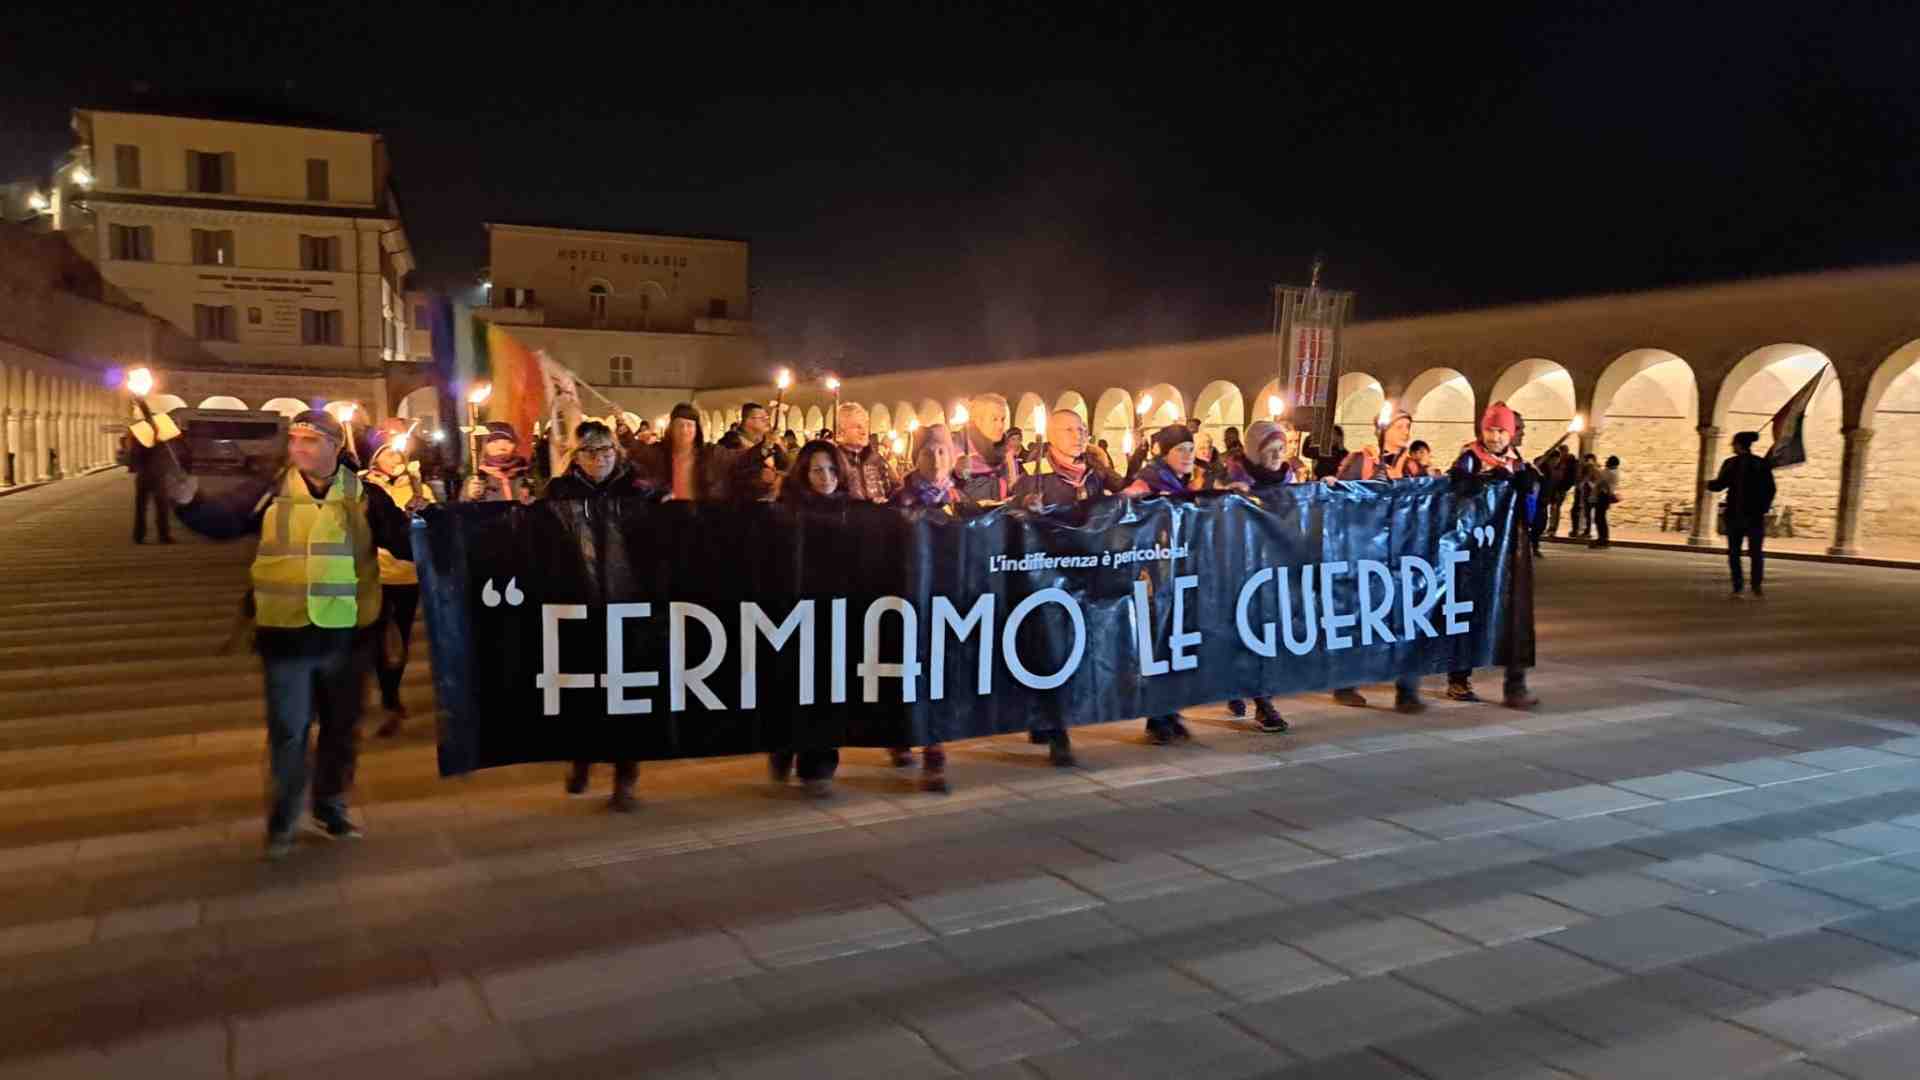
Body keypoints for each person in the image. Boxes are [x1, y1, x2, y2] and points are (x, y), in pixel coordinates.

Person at [163, 409, 413, 858]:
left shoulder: (365, 496)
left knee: (340, 729)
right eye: (295, 440)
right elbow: (222, 520)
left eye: (310, 441)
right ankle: (284, 814)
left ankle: (330, 806)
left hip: (348, 638)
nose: (298, 448)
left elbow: (408, 543)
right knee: (290, 732)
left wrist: (440, 520)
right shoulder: (270, 491)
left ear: (336, 447)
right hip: (287, 635)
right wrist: (190, 502)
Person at [547, 421, 653, 810]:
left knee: (627, 691)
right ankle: (582, 757)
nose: (600, 458)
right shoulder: (559, 492)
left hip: (628, 602)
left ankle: (626, 776)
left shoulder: (637, 489)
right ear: (576, 456)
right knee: (583, 686)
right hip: (580, 602)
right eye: (590, 451)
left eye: (606, 449)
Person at [1011, 409, 1125, 765]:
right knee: (1050, 650)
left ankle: (1051, 717)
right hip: (1046, 578)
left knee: (1076, 648)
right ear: (1051, 435)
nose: (1078, 436)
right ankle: (1056, 730)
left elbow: (1125, 499)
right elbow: (1011, 521)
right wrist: (1026, 510)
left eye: (1082, 429)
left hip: (1085, 573)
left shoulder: (1095, 475)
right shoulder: (1034, 476)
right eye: (1070, 430)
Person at [762, 439, 855, 796]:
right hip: (793, 612)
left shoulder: (850, 509)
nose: (826, 477)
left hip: (836, 614)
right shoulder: (787, 510)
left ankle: (818, 766)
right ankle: (783, 746)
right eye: (817, 469)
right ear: (804, 472)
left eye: (832, 469)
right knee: (791, 685)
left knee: (828, 691)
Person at [1328, 411, 1428, 714]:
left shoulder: (1411, 466)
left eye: (1408, 427)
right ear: (1383, 430)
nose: (1405, 431)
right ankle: (1346, 682)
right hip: (1366, 552)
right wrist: (1339, 484)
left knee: (1407, 618)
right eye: (1400, 426)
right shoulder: (1363, 459)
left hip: (1402, 552)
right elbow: (1339, 494)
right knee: (1361, 616)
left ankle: (1407, 690)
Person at [892, 424, 974, 791]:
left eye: (943, 451)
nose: (936, 458)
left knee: (938, 673)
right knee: (909, 671)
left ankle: (934, 752)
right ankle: (901, 734)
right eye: (928, 452)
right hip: (910, 594)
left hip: (947, 597)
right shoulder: (902, 499)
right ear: (916, 457)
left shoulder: (958, 498)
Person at [1447, 401, 1540, 709]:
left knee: (1515, 615)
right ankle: (1458, 678)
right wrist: (1482, 484)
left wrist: (1530, 490)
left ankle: (1516, 685)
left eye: (1501, 430)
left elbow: (1530, 515)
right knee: (1470, 610)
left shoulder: (1518, 463)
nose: (1495, 436)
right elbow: (1455, 492)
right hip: (1477, 549)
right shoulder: (1470, 459)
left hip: (1512, 549)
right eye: (1490, 429)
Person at [1216, 420, 1303, 733]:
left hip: (1276, 565)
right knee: (1247, 630)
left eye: (1281, 449)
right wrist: (1227, 497)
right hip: (1242, 566)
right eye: (1270, 451)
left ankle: (1242, 688)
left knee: (1269, 632)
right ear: (1255, 452)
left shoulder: (1290, 477)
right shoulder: (1233, 477)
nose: (1278, 456)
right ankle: (1262, 702)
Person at [1121, 424, 1199, 744]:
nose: (1187, 455)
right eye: (1180, 449)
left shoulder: (1182, 483)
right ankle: (1156, 717)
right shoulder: (1149, 482)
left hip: (1177, 574)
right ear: (1164, 453)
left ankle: (1170, 710)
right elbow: (1122, 509)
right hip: (1152, 578)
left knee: (1174, 642)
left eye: (1191, 449)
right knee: (1156, 644)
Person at [359, 435, 434, 737]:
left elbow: (430, 527)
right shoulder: (364, 488)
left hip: (406, 576)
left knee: (399, 639)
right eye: (386, 453)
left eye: (397, 453)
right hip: (371, 574)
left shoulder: (419, 486)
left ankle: (391, 693)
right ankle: (376, 689)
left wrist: (425, 512)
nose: (394, 458)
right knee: (375, 637)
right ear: (374, 459)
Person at [1708, 431, 1776, 598]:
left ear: (1739, 445)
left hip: (1735, 514)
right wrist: (1763, 508)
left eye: (1734, 443)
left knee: (1734, 553)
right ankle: (1756, 586)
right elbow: (1770, 489)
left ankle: (1738, 587)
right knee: (1756, 552)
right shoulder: (1761, 464)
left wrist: (1708, 484)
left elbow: (1719, 485)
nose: (1732, 446)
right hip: (1755, 515)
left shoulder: (1731, 463)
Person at [635, 402, 731, 501]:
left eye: (689, 425)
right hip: (666, 511)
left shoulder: (711, 453)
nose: (684, 430)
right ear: (672, 428)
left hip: (699, 511)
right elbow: (632, 455)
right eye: (680, 425)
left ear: (696, 429)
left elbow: (736, 458)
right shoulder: (659, 452)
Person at [954, 392, 1023, 503]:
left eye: (1003, 419)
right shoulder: (956, 449)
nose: (1000, 426)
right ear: (977, 420)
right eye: (994, 419)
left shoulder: (1006, 451)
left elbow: (1014, 489)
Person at [834, 403, 899, 504]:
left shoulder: (877, 460)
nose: (864, 431)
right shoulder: (834, 461)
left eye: (865, 426)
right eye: (857, 427)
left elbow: (896, 489)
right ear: (841, 431)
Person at [729, 401, 789, 503]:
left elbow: (786, 466)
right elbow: (735, 470)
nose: (767, 422)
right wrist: (758, 477)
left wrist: (780, 476)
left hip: (773, 502)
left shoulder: (769, 443)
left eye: (767, 418)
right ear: (748, 421)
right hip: (746, 503)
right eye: (762, 418)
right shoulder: (732, 443)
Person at [464, 422, 535, 503]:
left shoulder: (526, 475)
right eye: (495, 442)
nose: (502, 447)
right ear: (485, 446)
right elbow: (462, 512)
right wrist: (471, 497)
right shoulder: (476, 479)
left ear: (515, 446)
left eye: (508, 442)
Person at [129, 431, 175, 544]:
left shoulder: (138, 440)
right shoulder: (161, 441)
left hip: (143, 477)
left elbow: (133, 458)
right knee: (161, 507)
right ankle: (163, 535)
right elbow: (167, 458)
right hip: (156, 477)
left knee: (141, 508)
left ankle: (138, 536)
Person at [1589, 455, 1620, 549]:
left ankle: (1603, 539)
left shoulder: (1611, 472)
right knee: (1600, 518)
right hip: (1603, 495)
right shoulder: (1611, 471)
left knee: (1600, 518)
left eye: (1608, 461)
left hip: (1604, 496)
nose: (1606, 462)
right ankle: (1602, 538)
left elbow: (1601, 479)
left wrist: (1593, 466)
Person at [1570, 453, 1598, 538]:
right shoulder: (1583, 469)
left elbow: (1590, 481)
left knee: (1587, 513)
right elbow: (1579, 481)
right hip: (1583, 494)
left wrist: (1584, 482)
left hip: (1588, 494)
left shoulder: (1593, 470)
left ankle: (1587, 530)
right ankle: (1579, 530)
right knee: (1581, 512)